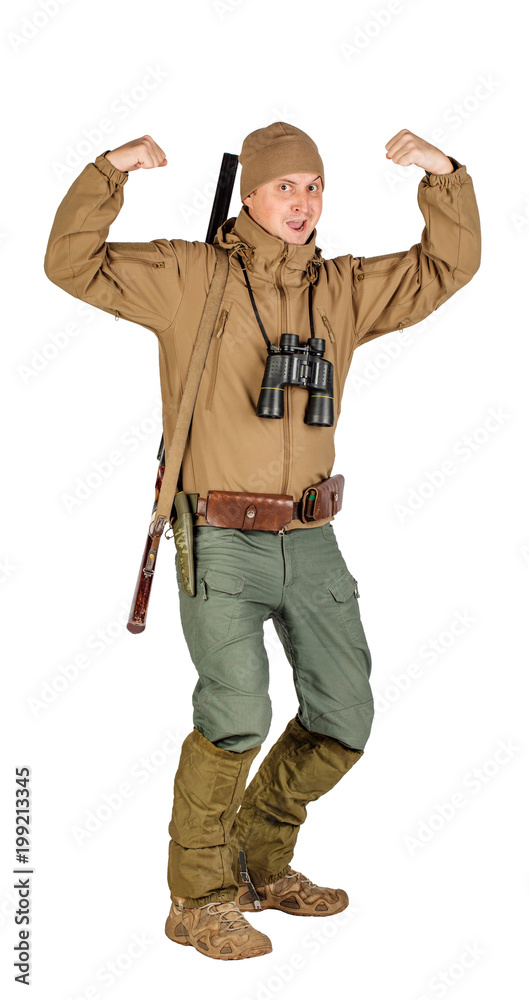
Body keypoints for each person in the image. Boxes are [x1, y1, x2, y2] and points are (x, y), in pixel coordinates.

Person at [44, 122, 481, 961]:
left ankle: (256, 863)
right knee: (237, 711)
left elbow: (443, 268)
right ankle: (196, 899)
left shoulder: (342, 289)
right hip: (219, 533)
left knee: (345, 714)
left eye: (313, 186)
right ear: (249, 194)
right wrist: (109, 171)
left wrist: (444, 175)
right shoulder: (190, 275)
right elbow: (71, 263)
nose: (303, 201)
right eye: (285, 186)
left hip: (312, 536)